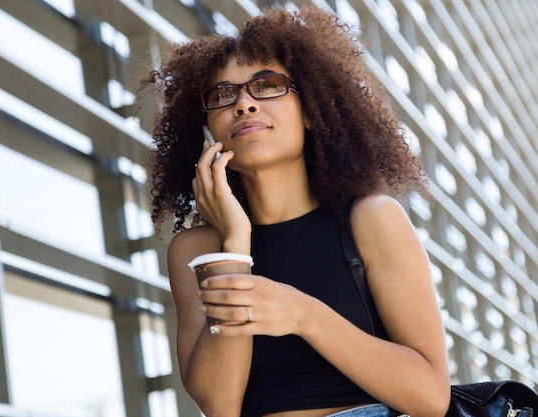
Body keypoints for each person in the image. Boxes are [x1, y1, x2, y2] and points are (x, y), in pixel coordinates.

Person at [142, 5, 450, 417]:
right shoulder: (196, 251)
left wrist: (303, 314)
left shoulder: (372, 220)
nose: (245, 104)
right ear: (208, 127)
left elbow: (431, 396)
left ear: (310, 111)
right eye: (223, 95)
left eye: (266, 85)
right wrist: (234, 246)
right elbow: (218, 405)